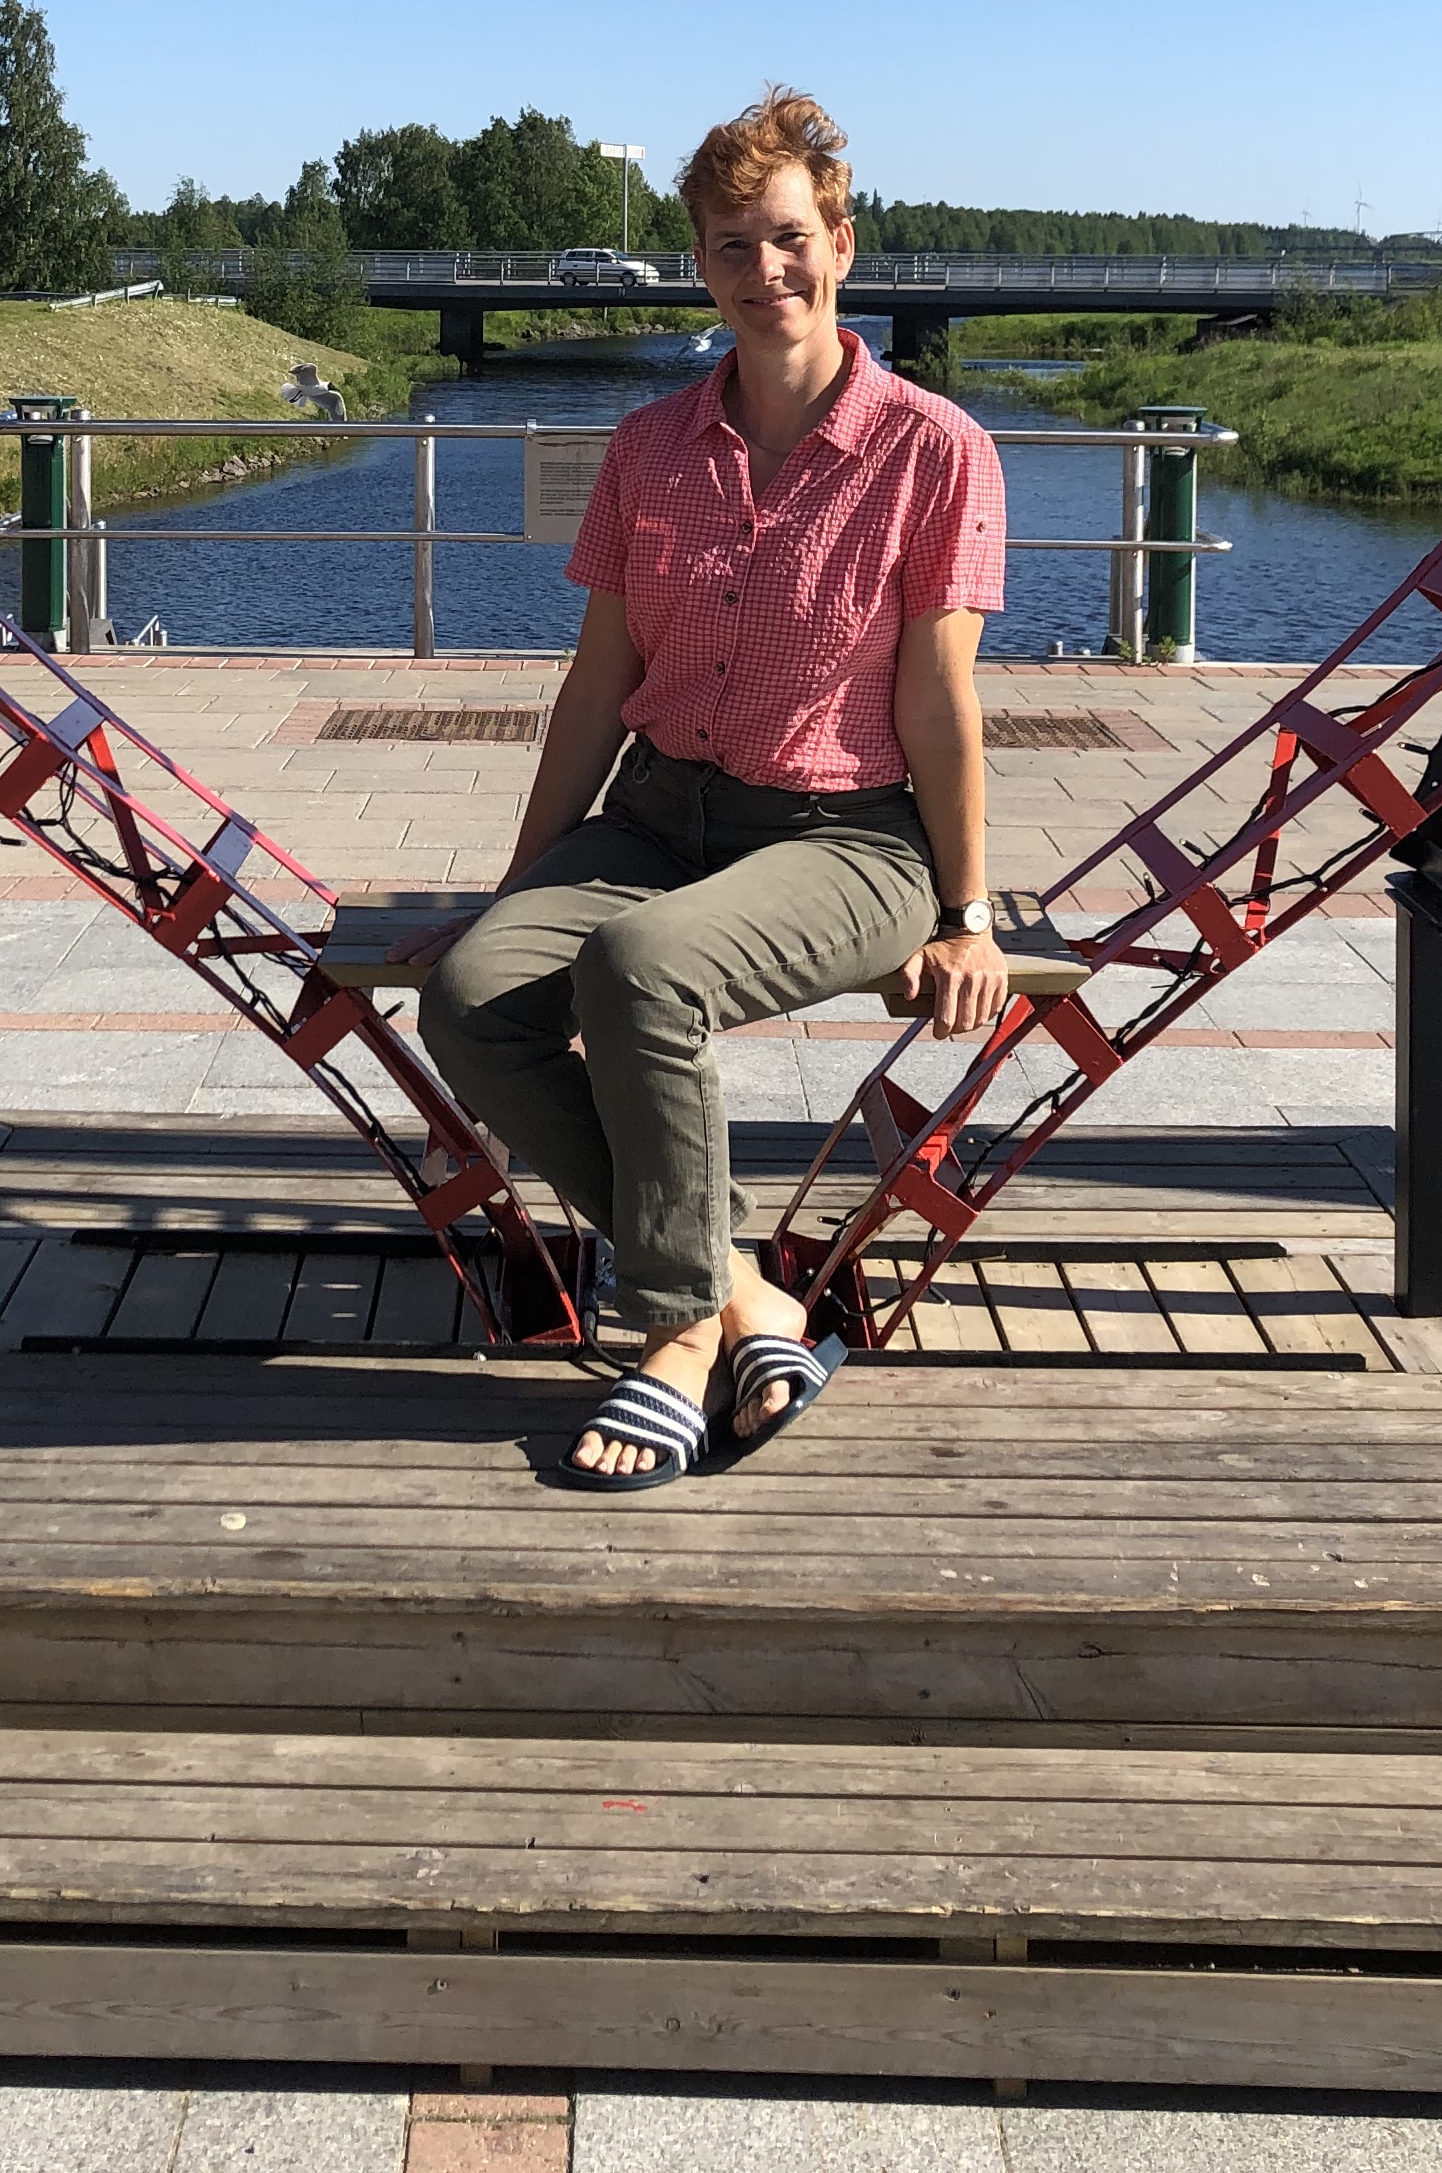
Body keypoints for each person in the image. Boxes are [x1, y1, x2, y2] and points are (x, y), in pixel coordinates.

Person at [419, 87, 1011, 1487]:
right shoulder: (649, 450)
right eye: (734, 246)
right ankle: (746, 1296)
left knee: (643, 971)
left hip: (846, 837)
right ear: (700, 264)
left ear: (842, 245)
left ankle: (676, 1333)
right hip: (655, 814)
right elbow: (596, 686)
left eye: (790, 237)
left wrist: (970, 913)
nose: (766, 270)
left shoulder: (935, 450)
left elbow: (940, 702)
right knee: (471, 995)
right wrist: (524, 882)